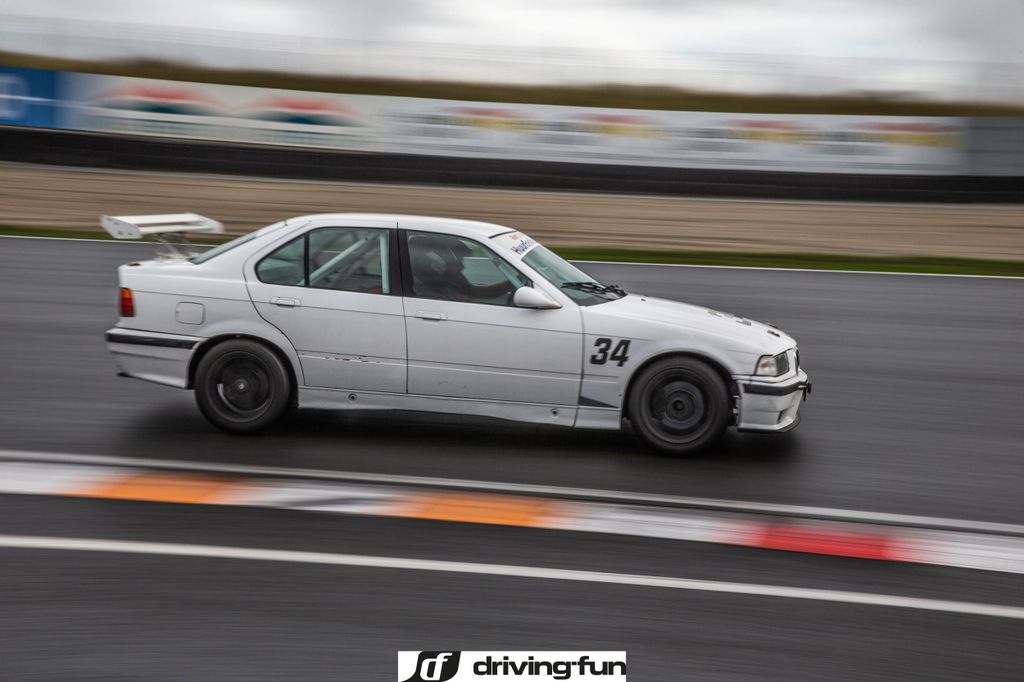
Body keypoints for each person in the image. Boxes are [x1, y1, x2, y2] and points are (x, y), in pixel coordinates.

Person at [409, 235, 516, 303]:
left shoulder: (446, 279)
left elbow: (478, 292)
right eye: (459, 261)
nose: (462, 267)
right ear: (436, 264)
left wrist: (512, 283)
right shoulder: (426, 292)